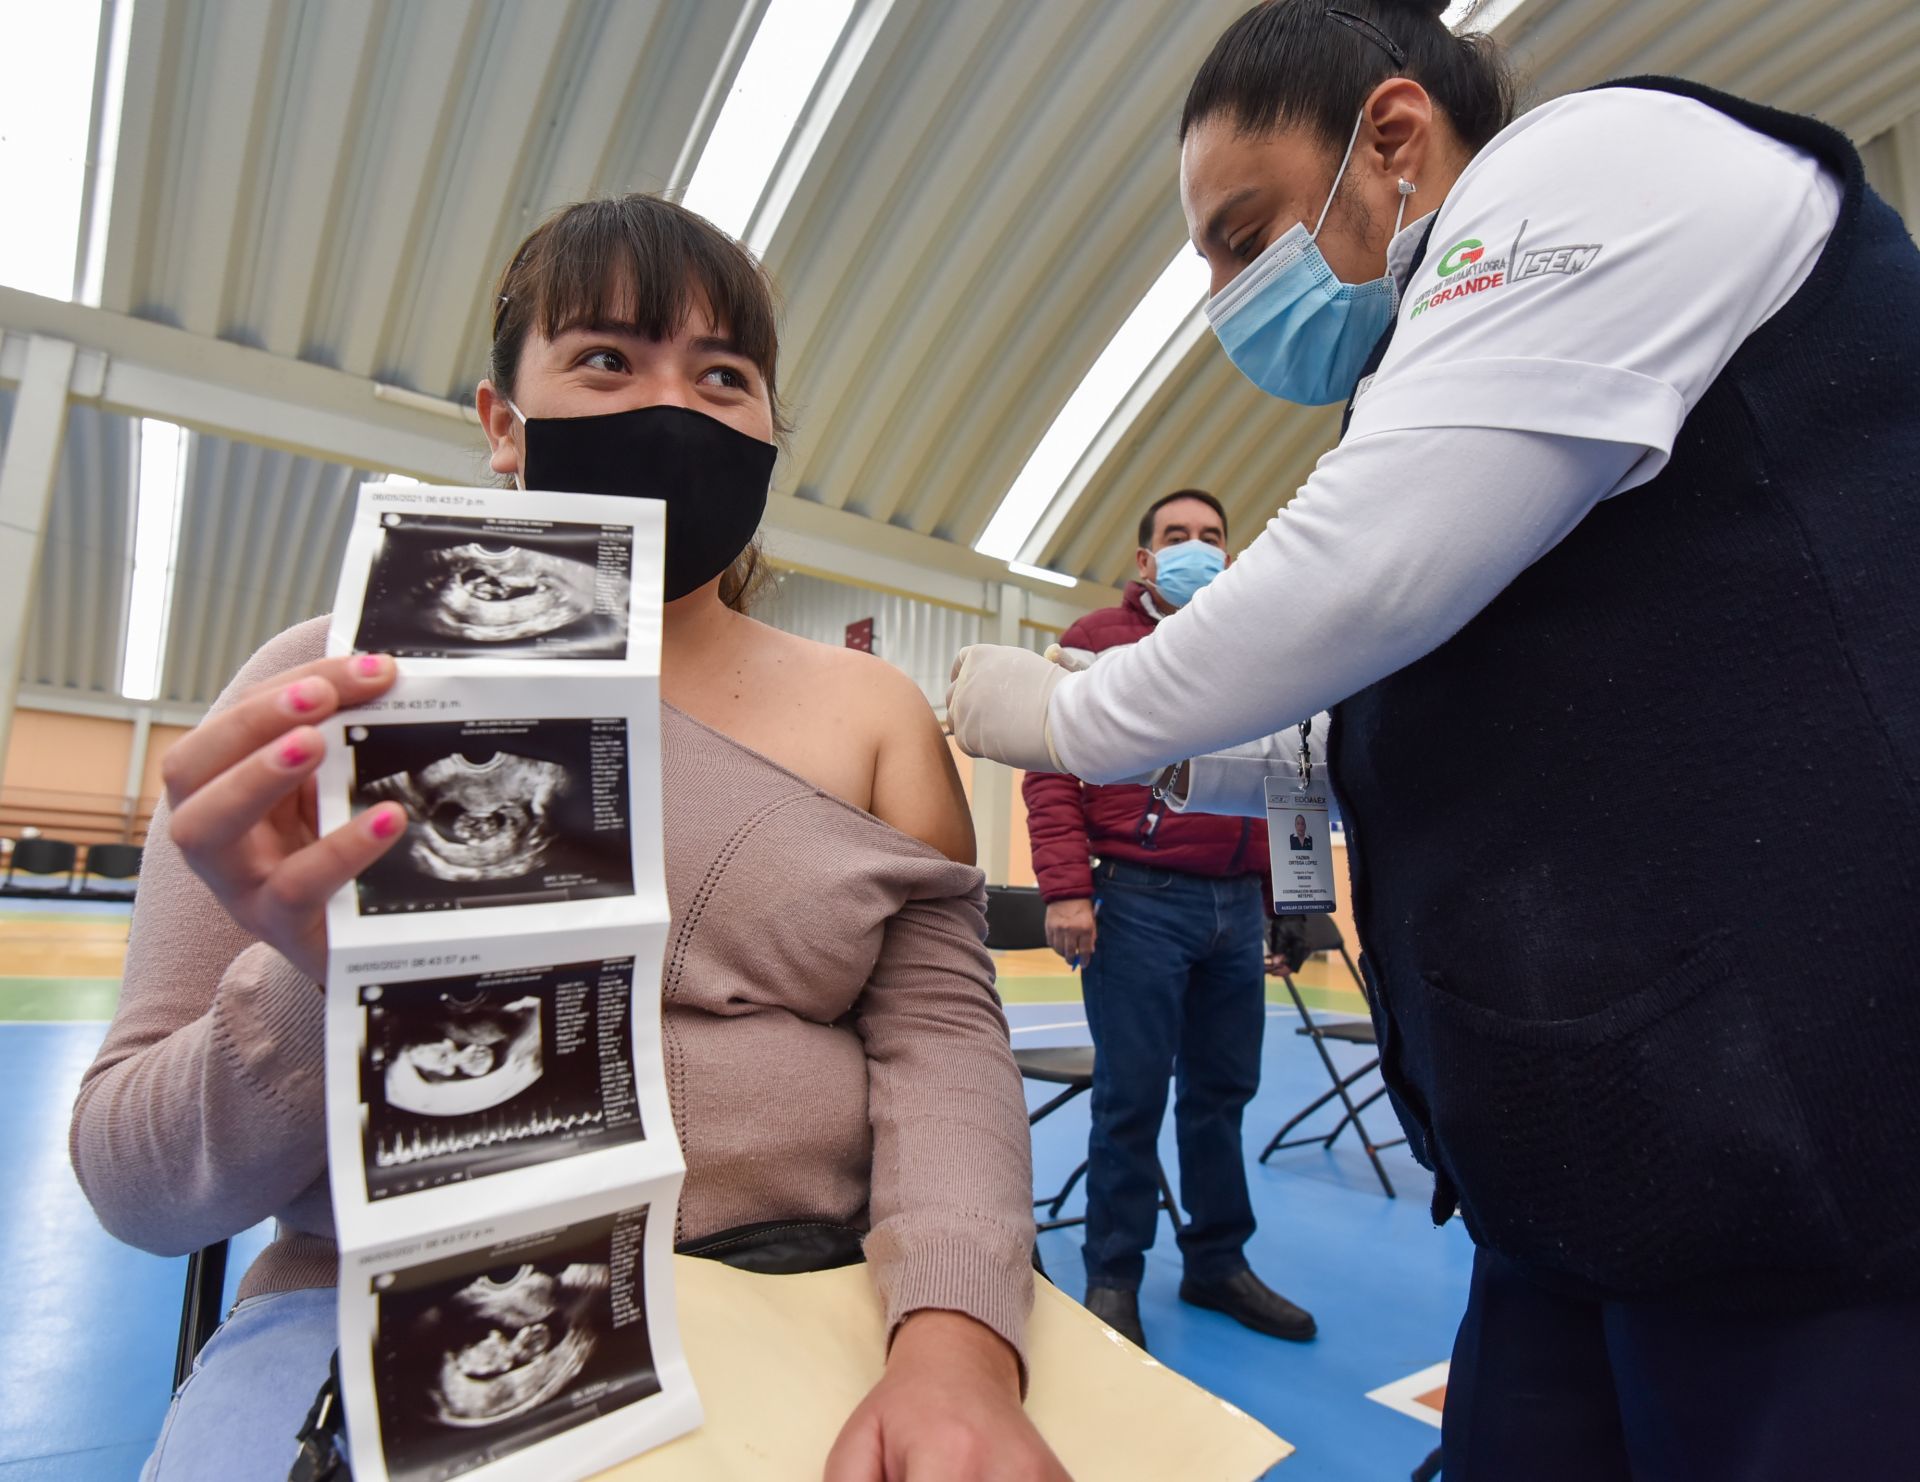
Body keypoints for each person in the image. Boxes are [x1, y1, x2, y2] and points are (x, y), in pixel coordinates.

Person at [947, 1, 1920, 1476]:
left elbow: (1364, 574)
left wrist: (1070, 711)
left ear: (1395, 138)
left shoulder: (1603, 162)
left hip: (1789, 1156)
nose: (1224, 292)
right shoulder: (1451, 397)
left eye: (1242, 230)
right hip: (1588, 1157)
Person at [72, 194, 1066, 1482]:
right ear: (501, 423)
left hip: (809, 1301)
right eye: (608, 359)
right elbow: (136, 1188)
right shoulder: (330, 691)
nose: (676, 406)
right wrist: (330, 978)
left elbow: (943, 1049)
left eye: (726, 375)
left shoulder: (873, 715)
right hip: (383, 1307)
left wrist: (953, 1339)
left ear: (771, 434)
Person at [1023, 488, 1312, 1352]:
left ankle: (1218, 1264)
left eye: (1212, 537)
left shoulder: (1259, 645)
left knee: (1222, 1096)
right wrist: (1066, 889)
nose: (1197, 548)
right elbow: (1051, 771)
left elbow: (1288, 775)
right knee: (1130, 1098)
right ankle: (1115, 1275)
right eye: (1176, 537)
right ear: (1145, 559)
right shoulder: (1091, 644)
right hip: (1138, 902)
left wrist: (1290, 898)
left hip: (1234, 908)